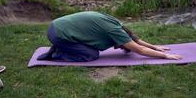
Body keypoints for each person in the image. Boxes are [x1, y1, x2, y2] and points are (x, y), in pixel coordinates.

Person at [37, 11, 181, 62]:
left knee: (88, 46)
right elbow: (139, 49)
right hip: (59, 34)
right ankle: (57, 54)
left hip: (57, 26)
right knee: (91, 54)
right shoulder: (116, 32)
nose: (117, 47)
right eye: (121, 46)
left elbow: (134, 40)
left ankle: (60, 48)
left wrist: (154, 46)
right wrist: (165, 56)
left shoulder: (117, 24)